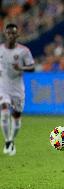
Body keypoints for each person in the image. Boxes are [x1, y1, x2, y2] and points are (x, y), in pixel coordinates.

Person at [0, 23, 35, 156]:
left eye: (13, 33)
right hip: (3, 87)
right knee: (4, 113)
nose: (11, 35)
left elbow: (32, 67)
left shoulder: (23, 51)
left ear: (17, 35)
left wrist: (21, 68)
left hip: (17, 89)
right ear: (5, 34)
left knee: (16, 117)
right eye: (8, 33)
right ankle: (7, 141)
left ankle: (12, 140)